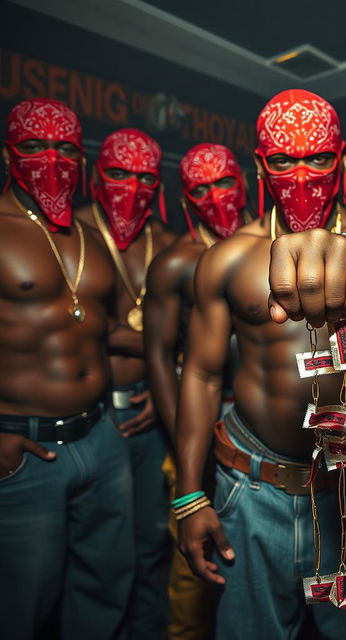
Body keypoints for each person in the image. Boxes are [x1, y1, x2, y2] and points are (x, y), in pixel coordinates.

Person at [175, 89, 346, 639]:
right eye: (284, 160)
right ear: (260, 166)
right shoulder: (227, 258)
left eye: (318, 157)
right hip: (254, 489)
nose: (302, 174)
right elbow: (199, 373)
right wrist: (188, 494)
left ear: (343, 159)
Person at [0, 99, 134, 639]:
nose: (51, 161)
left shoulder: (88, 235)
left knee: (106, 588)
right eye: (34, 147)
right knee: (22, 604)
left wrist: (195, 351)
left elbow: (108, 327)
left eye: (65, 150)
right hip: (24, 449)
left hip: (101, 436)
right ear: (9, 154)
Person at [144, 142, 251, 640]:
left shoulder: (269, 246)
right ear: (185, 199)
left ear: (245, 181)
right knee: (193, 572)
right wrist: (183, 437)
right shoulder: (175, 263)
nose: (215, 196)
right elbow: (162, 358)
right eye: (200, 189)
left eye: (223, 182)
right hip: (199, 420)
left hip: (258, 431)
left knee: (252, 568)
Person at [76, 128, 175, 639]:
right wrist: (162, 344)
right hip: (93, 417)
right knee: (97, 555)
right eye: (118, 174)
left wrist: (166, 387)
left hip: (152, 411)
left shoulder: (170, 241)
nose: (130, 187)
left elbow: (192, 335)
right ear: (95, 173)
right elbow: (80, 329)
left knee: (151, 541)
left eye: (143, 178)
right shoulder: (73, 232)